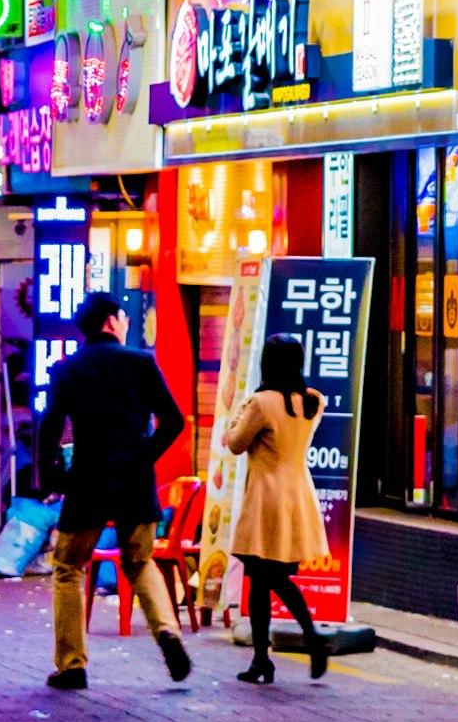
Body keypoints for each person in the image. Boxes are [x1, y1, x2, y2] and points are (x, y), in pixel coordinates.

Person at [33, 294, 190, 687]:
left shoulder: (68, 369)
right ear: (110, 322)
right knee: (140, 562)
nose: (125, 323)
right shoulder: (140, 362)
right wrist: (142, 457)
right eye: (122, 317)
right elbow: (172, 420)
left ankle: (72, 665)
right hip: (134, 481)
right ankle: (167, 632)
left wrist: (47, 476)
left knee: (69, 567)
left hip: (88, 478)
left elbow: (50, 427)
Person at [217, 335, 330, 683]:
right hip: (297, 493)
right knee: (264, 578)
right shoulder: (313, 400)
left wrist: (238, 412)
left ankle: (308, 637)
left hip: (265, 498)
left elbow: (235, 443)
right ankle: (261, 660)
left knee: (268, 577)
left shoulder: (261, 402)